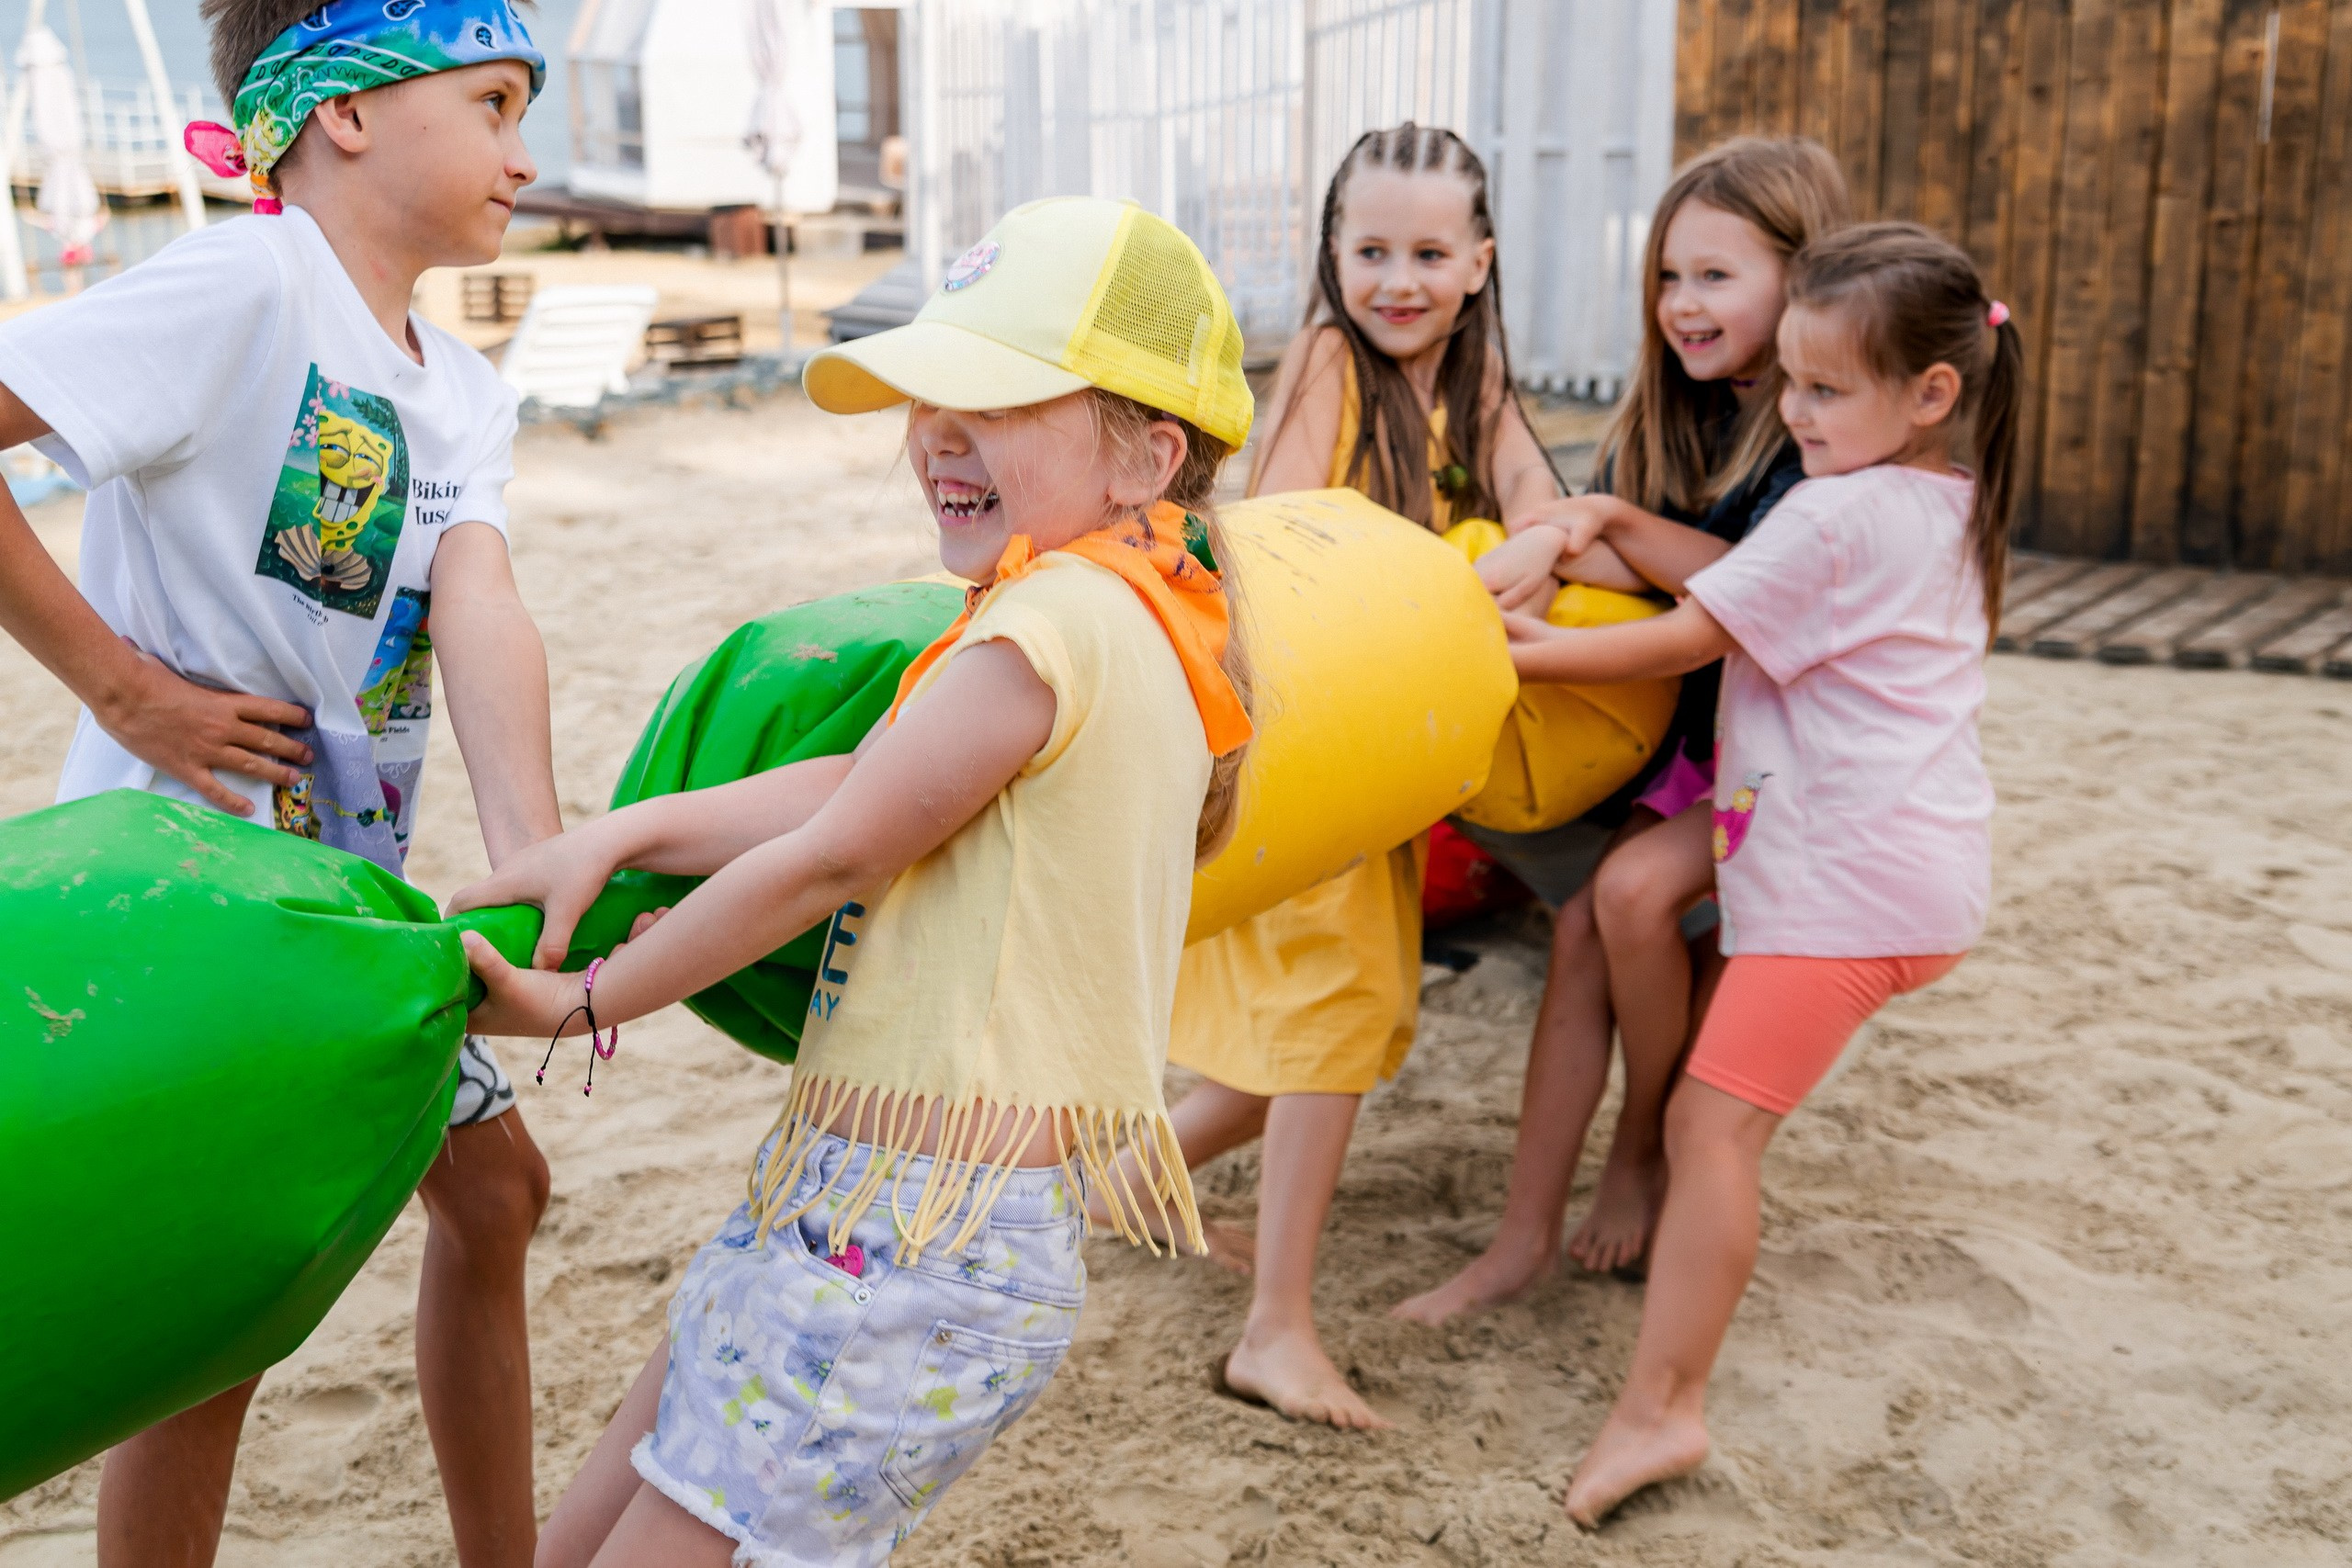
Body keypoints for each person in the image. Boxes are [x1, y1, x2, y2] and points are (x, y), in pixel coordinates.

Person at [453, 196, 1258, 1568]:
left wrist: (581, 1003)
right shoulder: (1122, 609)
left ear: (1148, 453)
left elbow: (834, 855)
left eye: (993, 398)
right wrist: (627, 834)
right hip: (857, 1210)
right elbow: (861, 783)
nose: (934, 433)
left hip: (910, 1247)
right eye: (924, 393)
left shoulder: (1055, 619)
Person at [0, 4, 558, 1564]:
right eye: (497, 103)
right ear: (352, 113)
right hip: (187, 904)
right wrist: (126, 688)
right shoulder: (247, 286)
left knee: (497, 1195)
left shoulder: (458, 385)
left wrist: (536, 862)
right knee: (218, 1333)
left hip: (335, 908)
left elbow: (484, 607)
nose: (528, 155)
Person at [1508, 221, 2017, 1526]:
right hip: (1915, 877)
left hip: (1848, 894)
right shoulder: (1944, 502)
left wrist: (1506, 654)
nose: (1793, 410)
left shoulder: (1837, 512)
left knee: (1708, 1130)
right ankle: (1659, 1392)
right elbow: (1744, 583)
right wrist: (1622, 518)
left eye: (1826, 389)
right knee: (1715, 1127)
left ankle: (1662, 1409)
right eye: (1790, 381)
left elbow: (1682, 634)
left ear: (1931, 393)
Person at [1135, 121, 1578, 1430]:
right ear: (1331, 254)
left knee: (1315, 1035)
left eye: (1430, 252)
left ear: (1480, 262)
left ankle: (1119, 1178)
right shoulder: (1333, 358)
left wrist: (1528, 552)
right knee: (1328, 1022)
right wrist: (1461, 578)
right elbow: (1266, 533)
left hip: (1388, 744)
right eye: (1371, 248)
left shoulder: (1472, 382)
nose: (1400, 278)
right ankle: (1276, 1330)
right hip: (1313, 735)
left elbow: (1541, 504)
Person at [1395, 138, 1851, 1325]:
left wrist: (1588, 532)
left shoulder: (1825, 437)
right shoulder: (1678, 419)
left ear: (1803, 280)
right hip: (1694, 749)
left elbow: (1746, 592)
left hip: (1797, 763)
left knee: (1634, 903)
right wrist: (1552, 542)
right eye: (1668, 278)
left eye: (1716, 277)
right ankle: (1520, 1237)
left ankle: (1644, 1143)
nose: (1684, 306)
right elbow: (1614, 538)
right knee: (1591, 928)